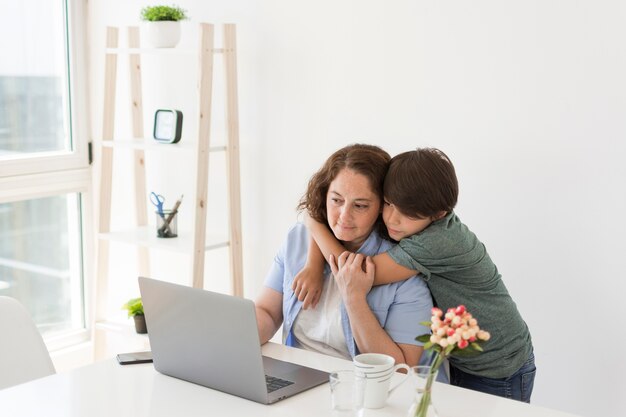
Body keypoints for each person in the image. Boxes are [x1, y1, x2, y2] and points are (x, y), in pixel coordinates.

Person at [297, 147, 536, 402]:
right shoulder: (414, 227)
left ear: (439, 214)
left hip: (499, 365)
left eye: (408, 213)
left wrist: (313, 221)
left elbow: (355, 272)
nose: (392, 219)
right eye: (388, 204)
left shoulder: (437, 241)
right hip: (460, 359)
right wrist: (313, 262)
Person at [254, 144, 433, 366]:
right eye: (336, 200)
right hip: (297, 377)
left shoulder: (402, 268)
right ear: (325, 194)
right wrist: (240, 333)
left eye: (360, 205)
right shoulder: (297, 240)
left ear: (381, 207)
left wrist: (353, 297)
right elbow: (267, 312)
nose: (343, 216)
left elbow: (402, 370)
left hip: (362, 389)